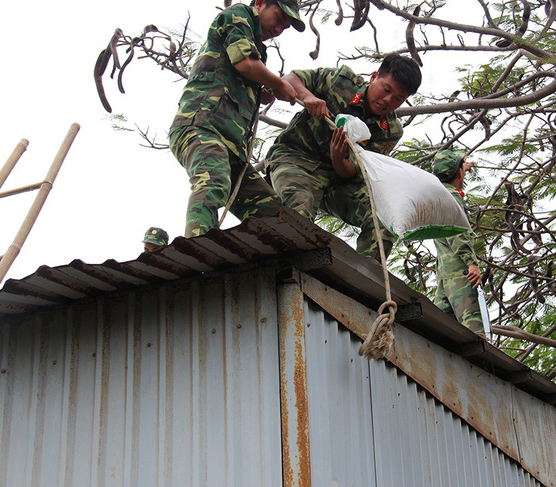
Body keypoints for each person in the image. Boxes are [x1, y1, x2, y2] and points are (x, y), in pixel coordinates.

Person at [265, 54, 422, 261]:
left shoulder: (390, 131)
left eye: (398, 99)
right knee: (299, 209)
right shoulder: (339, 81)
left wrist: (338, 158)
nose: (387, 101)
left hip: (337, 182)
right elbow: (290, 79)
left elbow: (354, 172)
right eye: (387, 90)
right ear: (374, 77)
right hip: (295, 159)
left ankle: (364, 280)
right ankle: (292, 270)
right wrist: (308, 96)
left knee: (385, 215)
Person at [169, 0, 305, 237]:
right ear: (261, 3)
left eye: (287, 25)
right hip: (201, 127)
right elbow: (244, 63)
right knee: (213, 182)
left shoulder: (259, 50)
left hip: (232, 149)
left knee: (273, 215)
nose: (280, 28)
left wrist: (262, 93)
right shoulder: (238, 14)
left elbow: (244, 73)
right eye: (280, 18)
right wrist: (278, 83)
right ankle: (199, 254)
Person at [430, 150, 485, 334]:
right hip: (460, 274)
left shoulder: (438, 195)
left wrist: (462, 166)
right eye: (463, 166)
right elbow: (456, 232)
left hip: (444, 277)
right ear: (459, 172)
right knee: (474, 333)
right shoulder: (452, 197)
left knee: (439, 333)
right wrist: (471, 263)